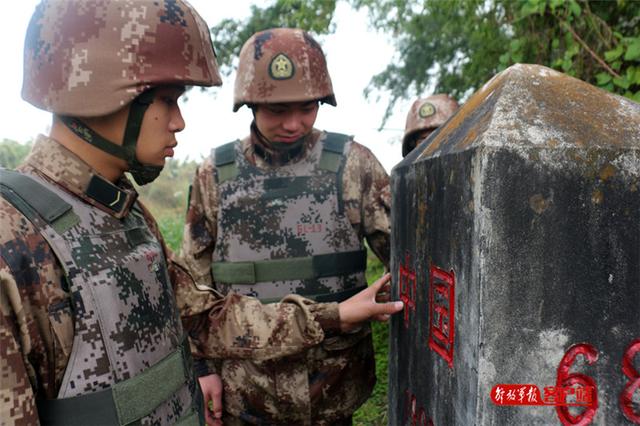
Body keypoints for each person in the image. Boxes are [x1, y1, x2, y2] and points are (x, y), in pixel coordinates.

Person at [0, 3, 402, 425]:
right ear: (101, 93)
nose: (179, 121)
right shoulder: (15, 240)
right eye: (168, 100)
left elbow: (205, 318)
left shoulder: (125, 216)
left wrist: (334, 315)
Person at [181, 28, 393, 425]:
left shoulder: (354, 165)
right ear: (250, 104)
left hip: (333, 385)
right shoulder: (216, 175)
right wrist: (202, 369)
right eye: (278, 110)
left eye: (307, 107)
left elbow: (408, 256)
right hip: (247, 387)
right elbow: (195, 285)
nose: (294, 123)